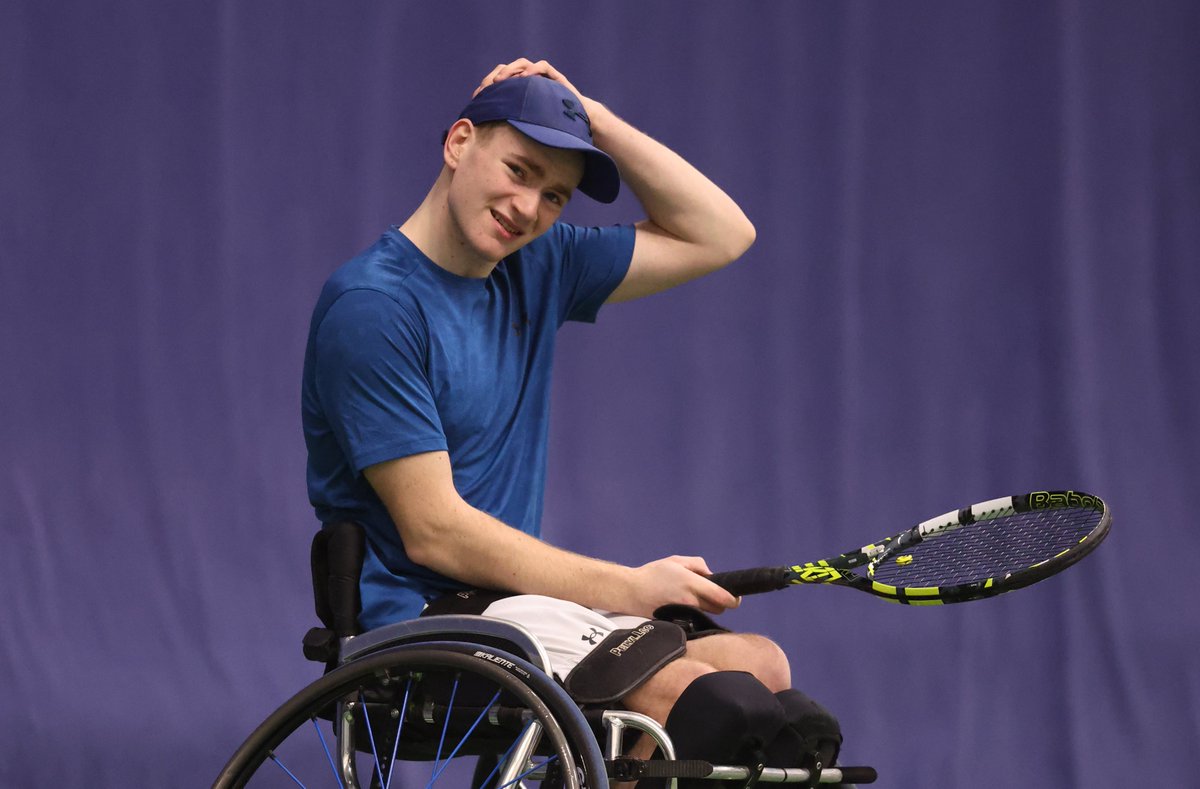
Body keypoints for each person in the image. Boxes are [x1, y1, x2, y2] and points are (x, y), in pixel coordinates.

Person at [302, 58, 841, 776]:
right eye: (520, 170)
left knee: (761, 666)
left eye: (555, 195)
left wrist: (595, 119)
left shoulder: (537, 263)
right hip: (420, 621)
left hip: (519, 610)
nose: (529, 209)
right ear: (459, 142)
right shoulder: (373, 309)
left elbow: (723, 233)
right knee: (706, 701)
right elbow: (434, 531)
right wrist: (629, 587)